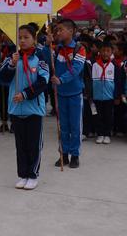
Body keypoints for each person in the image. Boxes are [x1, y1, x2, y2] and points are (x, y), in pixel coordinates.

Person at [0, 24, 49, 190]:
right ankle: (22, 174)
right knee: (20, 146)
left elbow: (43, 82)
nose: (22, 40)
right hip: (16, 109)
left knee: (33, 145)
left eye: (26, 37)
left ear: (34, 39)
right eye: (20, 37)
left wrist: (25, 94)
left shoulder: (40, 57)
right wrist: (12, 65)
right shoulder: (12, 57)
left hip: (33, 109)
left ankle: (33, 175)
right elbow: (3, 78)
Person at [50, 19, 86, 169]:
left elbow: (76, 69)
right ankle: (63, 154)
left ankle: (75, 155)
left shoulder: (79, 49)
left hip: (75, 93)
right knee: (62, 126)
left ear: (71, 31)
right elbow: (46, 59)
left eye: (61, 30)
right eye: (56, 30)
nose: (58, 33)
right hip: (60, 94)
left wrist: (61, 80)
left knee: (75, 126)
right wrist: (47, 45)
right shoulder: (56, 49)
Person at [91, 41, 124, 144]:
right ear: (100, 51)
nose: (105, 53)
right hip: (97, 96)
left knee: (108, 116)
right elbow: (91, 81)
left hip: (109, 97)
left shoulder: (115, 66)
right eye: (103, 50)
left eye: (108, 51)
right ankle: (100, 134)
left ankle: (107, 134)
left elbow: (118, 83)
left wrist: (117, 96)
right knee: (98, 115)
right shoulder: (94, 65)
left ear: (111, 52)